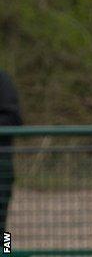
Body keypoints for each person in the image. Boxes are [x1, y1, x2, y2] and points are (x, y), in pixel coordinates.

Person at [0, 70, 22, 233]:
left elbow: (14, 119)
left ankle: (6, 252)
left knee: (4, 231)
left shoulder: (2, 80)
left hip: (1, 167)